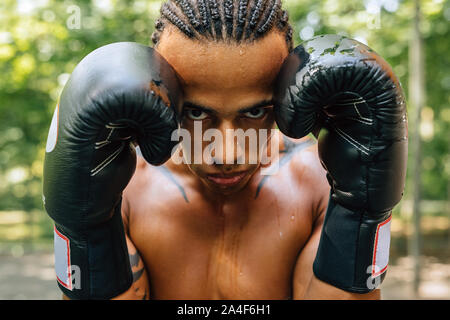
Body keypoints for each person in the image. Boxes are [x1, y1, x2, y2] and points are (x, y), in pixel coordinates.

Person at [43, 0, 407, 300]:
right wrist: (84, 230)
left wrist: (362, 212)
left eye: (254, 111)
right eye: (197, 112)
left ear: (284, 96)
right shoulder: (124, 192)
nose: (228, 152)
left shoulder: (319, 185)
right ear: (162, 94)